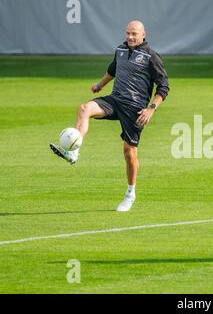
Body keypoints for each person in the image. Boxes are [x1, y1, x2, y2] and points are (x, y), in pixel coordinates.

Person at [50, 20, 169, 212]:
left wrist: (151, 109)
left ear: (143, 35)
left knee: (129, 152)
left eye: (134, 34)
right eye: (128, 33)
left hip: (135, 109)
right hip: (115, 100)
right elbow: (113, 70)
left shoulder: (151, 57)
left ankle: (130, 193)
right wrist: (100, 84)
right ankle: (73, 151)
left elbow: (164, 87)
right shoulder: (121, 50)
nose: (130, 37)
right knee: (84, 109)